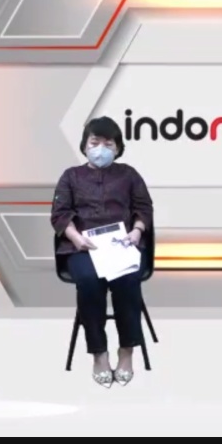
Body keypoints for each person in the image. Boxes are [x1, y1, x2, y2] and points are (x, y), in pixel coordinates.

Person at [51, 116, 154, 389]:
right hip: (84, 247)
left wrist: (137, 231)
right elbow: (59, 214)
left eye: (108, 144)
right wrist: (76, 237)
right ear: (85, 146)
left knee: (127, 279)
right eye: (95, 142)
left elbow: (144, 208)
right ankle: (99, 353)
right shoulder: (70, 176)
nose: (101, 149)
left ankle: (127, 350)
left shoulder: (129, 175)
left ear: (118, 148)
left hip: (123, 244)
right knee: (89, 281)